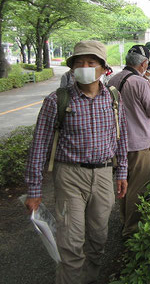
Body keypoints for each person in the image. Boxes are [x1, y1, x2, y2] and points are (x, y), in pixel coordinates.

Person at [25, 40, 128, 284]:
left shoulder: (113, 98)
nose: (84, 67)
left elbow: (121, 136)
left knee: (99, 238)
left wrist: (122, 172)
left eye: (91, 62)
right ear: (72, 69)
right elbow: (39, 146)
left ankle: (90, 279)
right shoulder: (57, 100)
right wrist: (34, 189)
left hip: (103, 175)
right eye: (79, 62)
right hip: (70, 176)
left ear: (104, 68)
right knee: (70, 242)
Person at [108, 44, 150, 237]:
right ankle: (131, 229)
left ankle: (124, 220)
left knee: (124, 182)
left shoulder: (112, 79)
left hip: (118, 142)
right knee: (138, 186)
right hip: (139, 142)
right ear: (143, 63)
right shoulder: (139, 82)